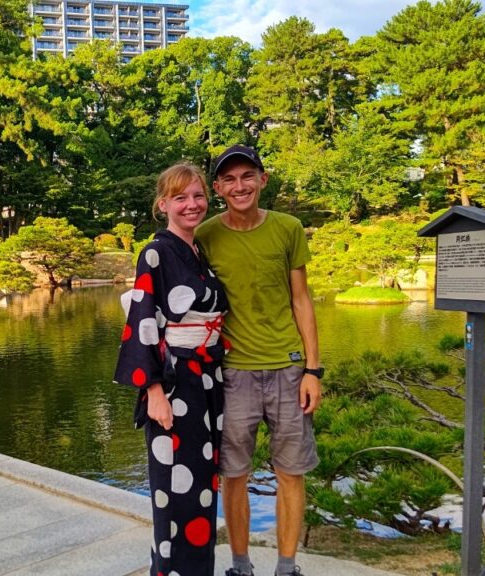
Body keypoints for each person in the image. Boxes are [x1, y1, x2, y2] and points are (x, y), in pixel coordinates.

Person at [196, 145, 322, 576]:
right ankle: (240, 565)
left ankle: (287, 567)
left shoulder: (288, 228)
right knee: (233, 473)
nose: (240, 186)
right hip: (233, 373)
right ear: (217, 188)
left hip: (288, 368)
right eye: (229, 179)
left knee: (291, 471)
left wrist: (312, 369)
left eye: (247, 176)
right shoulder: (206, 236)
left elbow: (301, 300)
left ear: (263, 180)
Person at [114, 163, 230, 576]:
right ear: (162, 204)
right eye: (180, 198)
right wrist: (154, 392)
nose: (191, 205)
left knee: (201, 489)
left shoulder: (199, 253)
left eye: (198, 196)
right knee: (175, 489)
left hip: (208, 381)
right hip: (176, 383)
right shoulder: (156, 252)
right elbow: (144, 321)